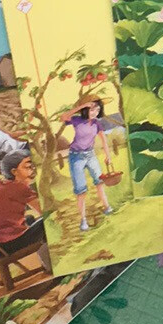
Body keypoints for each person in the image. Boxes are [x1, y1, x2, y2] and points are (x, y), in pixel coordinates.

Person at [0, 146, 48, 257]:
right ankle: (50, 257)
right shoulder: (19, 188)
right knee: (47, 220)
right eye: (28, 167)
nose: (33, 170)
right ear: (14, 171)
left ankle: (46, 255)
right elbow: (44, 210)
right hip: (2, 246)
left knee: (30, 219)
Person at [59, 99, 115, 232]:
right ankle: (83, 220)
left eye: (97, 110)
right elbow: (63, 117)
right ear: (86, 109)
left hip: (91, 155)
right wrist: (83, 105)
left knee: (100, 182)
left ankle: (107, 207)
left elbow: (104, 141)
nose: (95, 112)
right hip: (76, 157)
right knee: (81, 190)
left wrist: (108, 156)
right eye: (92, 109)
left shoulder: (97, 124)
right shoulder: (77, 120)